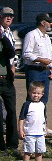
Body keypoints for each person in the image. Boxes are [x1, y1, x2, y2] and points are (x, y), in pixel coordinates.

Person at [22, 13, 52, 106]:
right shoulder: (31, 35)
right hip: (34, 70)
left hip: (45, 71)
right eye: (49, 22)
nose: (51, 24)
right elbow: (26, 54)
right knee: (33, 97)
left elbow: (50, 54)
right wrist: (41, 60)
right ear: (42, 22)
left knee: (43, 98)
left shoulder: (47, 37)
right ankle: (29, 118)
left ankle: (41, 119)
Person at [18, 81, 48, 161]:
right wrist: (21, 130)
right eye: (34, 93)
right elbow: (22, 118)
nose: (36, 95)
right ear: (29, 93)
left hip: (40, 133)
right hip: (29, 133)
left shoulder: (42, 105)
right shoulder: (27, 104)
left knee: (39, 151)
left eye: (38, 93)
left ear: (42, 94)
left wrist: (45, 128)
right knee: (28, 152)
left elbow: (44, 118)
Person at [0, 15, 18, 152]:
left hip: (6, 79)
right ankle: (1, 146)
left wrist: (3, 37)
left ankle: (12, 143)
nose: (9, 18)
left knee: (11, 111)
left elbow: (11, 52)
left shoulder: (6, 36)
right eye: (6, 16)